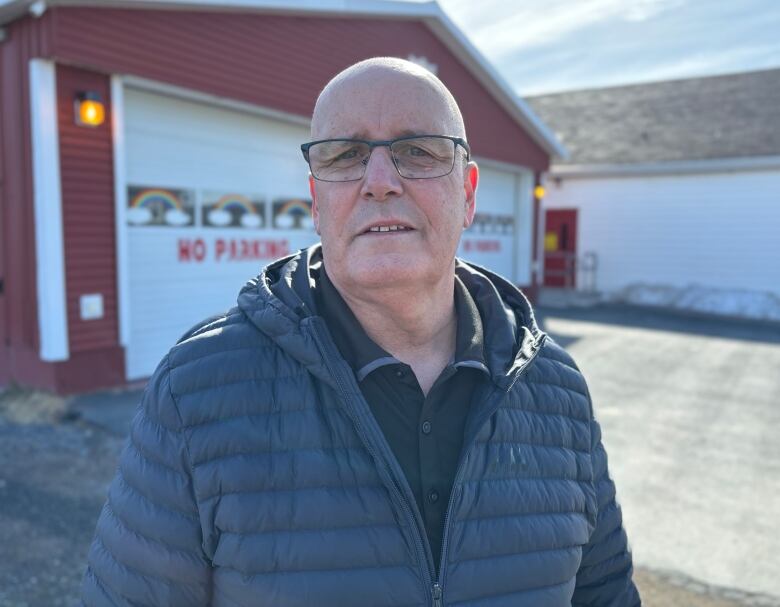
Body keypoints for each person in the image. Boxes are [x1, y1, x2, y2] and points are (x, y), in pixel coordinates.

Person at [82, 57, 640, 606]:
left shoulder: (556, 390)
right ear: (315, 202)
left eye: (417, 150)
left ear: (468, 194)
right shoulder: (196, 391)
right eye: (345, 154)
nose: (379, 182)